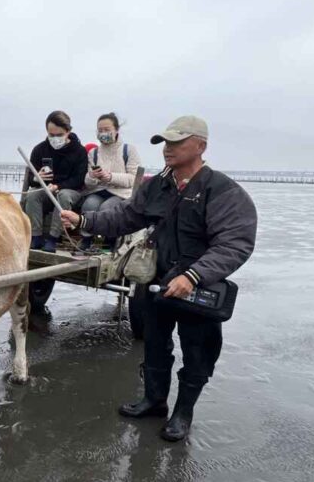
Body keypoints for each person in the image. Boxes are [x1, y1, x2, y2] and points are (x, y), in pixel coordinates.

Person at [61, 115, 257, 442]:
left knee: (198, 353)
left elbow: (235, 244)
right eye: (166, 142)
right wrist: (83, 220)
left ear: (201, 146)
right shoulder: (157, 186)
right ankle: (153, 401)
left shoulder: (222, 191)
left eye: (178, 142)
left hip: (198, 288)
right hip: (156, 281)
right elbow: (125, 217)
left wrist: (194, 276)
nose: (169, 149)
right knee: (153, 344)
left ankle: (183, 413)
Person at [24, 110, 88, 253]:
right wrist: (37, 178)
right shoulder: (39, 149)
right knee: (33, 195)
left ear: (68, 131)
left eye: (59, 135)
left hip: (71, 192)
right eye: (51, 135)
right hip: (46, 191)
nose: (55, 138)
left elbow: (79, 179)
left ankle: (53, 238)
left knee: (63, 195)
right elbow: (31, 179)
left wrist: (59, 186)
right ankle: (36, 236)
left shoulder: (79, 151)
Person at [79, 112, 142, 251]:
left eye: (107, 130)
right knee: (89, 204)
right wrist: (93, 176)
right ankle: (86, 239)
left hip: (121, 193)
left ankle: (108, 242)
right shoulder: (94, 153)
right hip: (99, 190)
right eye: (100, 130)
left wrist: (110, 177)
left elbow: (133, 179)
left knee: (107, 208)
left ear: (116, 130)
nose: (103, 133)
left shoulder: (128, 150)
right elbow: (88, 183)